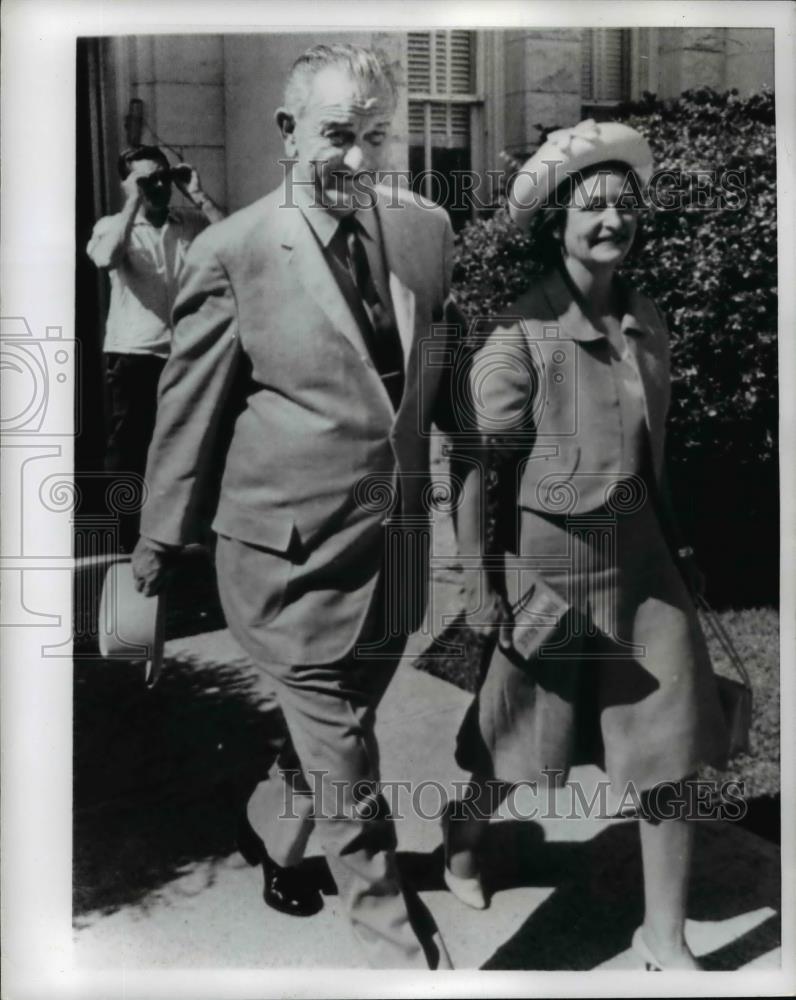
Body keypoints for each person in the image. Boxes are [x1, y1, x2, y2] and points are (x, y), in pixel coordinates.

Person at [131, 44, 461, 969]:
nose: (358, 160)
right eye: (336, 135)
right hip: (287, 553)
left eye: (375, 136)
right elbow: (189, 405)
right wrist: (160, 538)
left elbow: (436, 375)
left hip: (396, 545)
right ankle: (393, 942)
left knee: (337, 731)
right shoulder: (232, 249)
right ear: (287, 132)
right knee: (348, 748)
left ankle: (272, 831)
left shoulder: (427, 229)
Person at [444, 119, 729, 970]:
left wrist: (679, 547)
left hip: (643, 567)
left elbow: (652, 454)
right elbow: (472, 463)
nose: (612, 219)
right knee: (521, 742)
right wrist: (478, 576)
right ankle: (462, 839)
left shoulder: (648, 320)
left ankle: (665, 936)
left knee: (670, 746)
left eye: (623, 205)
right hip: (554, 574)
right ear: (556, 223)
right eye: (591, 205)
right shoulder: (519, 332)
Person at [87, 145, 224, 550]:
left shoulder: (190, 223)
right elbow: (107, 258)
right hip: (135, 354)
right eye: (148, 181)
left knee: (186, 444)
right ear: (127, 183)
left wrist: (197, 193)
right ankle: (125, 540)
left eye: (164, 177)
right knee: (131, 448)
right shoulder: (112, 226)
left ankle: (181, 533)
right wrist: (133, 201)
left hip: (183, 354)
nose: (159, 187)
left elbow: (237, 242)